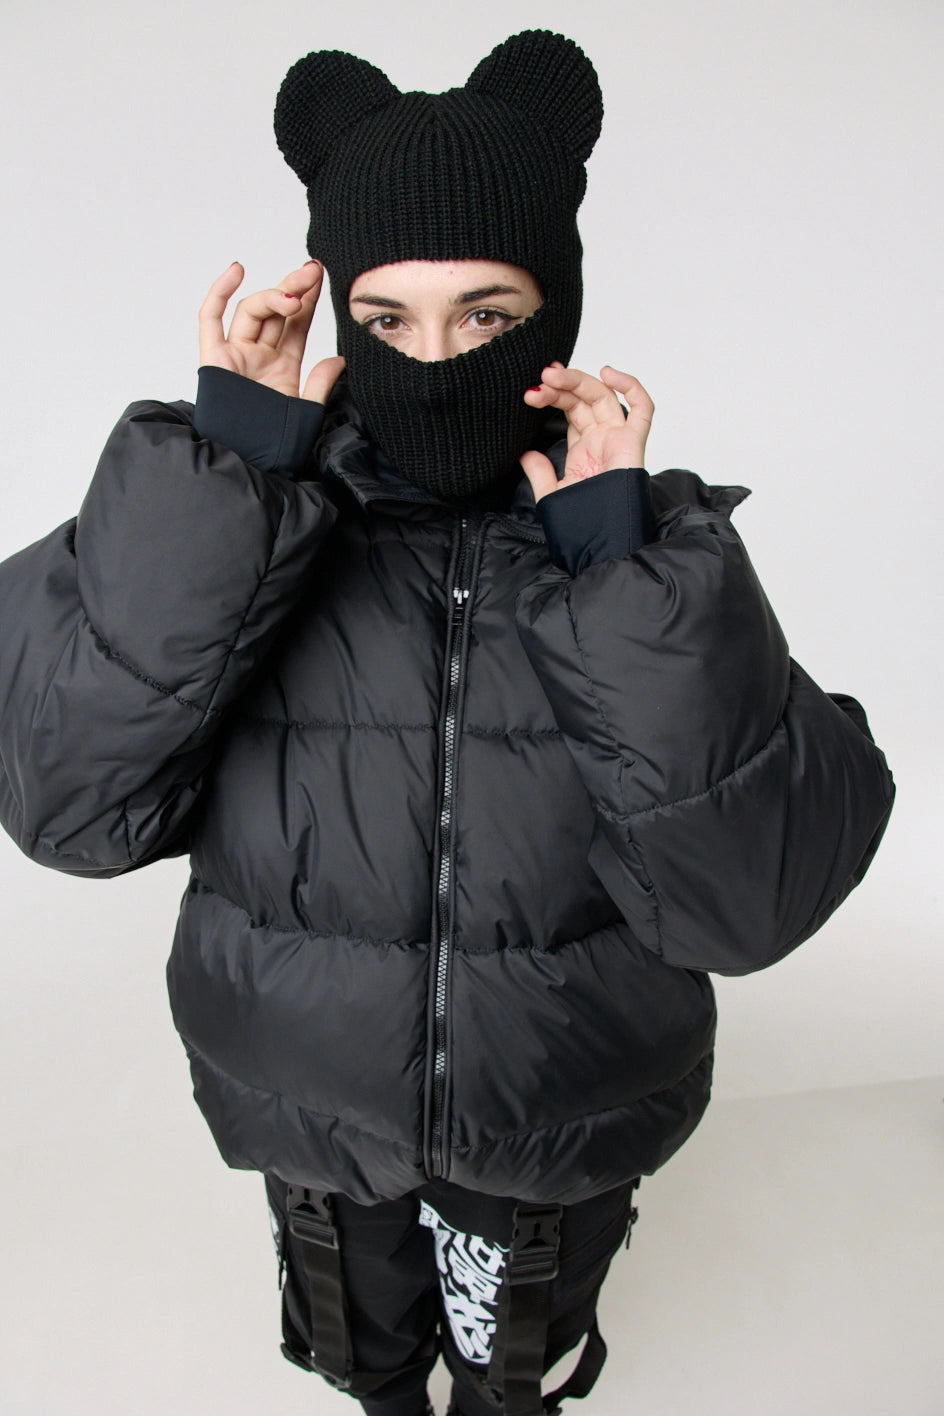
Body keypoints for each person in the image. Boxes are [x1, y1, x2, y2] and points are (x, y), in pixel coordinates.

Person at [0, 29, 894, 1416]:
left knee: (513, 1370)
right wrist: (230, 474)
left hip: (561, 1113)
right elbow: (69, 807)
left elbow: (750, 905)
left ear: (556, 315)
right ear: (338, 317)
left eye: (486, 315)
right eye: (388, 319)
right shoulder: (248, 523)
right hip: (308, 1100)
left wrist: (621, 569)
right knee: (365, 1355)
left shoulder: (641, 563)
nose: (435, 361)